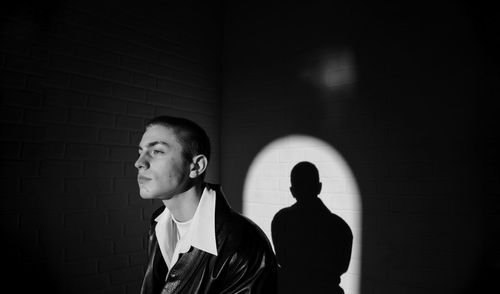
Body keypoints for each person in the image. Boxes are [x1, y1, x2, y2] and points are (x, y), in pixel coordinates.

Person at [135, 115, 277, 294]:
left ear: (196, 166)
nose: (139, 163)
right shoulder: (158, 222)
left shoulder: (244, 244)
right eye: (140, 152)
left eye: (157, 151)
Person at [271, 162, 352, 294]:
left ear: (292, 191)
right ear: (319, 187)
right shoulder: (340, 227)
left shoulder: (281, 220)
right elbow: (342, 267)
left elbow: (281, 259)